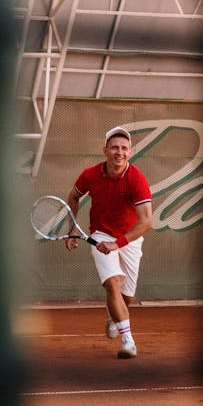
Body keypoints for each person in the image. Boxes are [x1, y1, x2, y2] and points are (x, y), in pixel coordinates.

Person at [66, 126, 153, 359]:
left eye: (124, 148)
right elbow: (73, 197)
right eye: (114, 147)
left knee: (127, 296)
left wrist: (120, 243)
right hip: (101, 234)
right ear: (105, 150)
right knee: (113, 283)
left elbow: (146, 221)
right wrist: (72, 227)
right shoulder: (90, 175)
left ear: (130, 152)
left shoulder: (137, 179)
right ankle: (128, 341)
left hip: (130, 237)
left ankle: (113, 316)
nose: (119, 152)